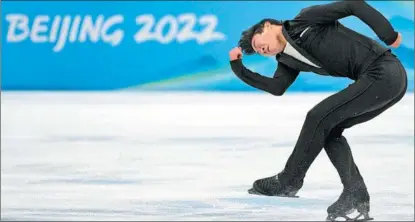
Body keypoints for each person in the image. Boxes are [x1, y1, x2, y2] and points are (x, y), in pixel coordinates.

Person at [228, 1, 407, 221]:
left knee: (317, 116)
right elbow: (276, 87)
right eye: (258, 52)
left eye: (258, 44)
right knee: (328, 129)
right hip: (380, 81)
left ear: (266, 26)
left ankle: (289, 180)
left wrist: (388, 34)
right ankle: (355, 194)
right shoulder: (287, 59)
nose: (261, 51)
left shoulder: (306, 18)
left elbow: (353, 5)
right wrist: (239, 68)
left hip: (384, 71)